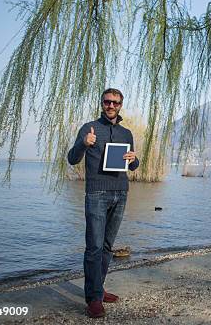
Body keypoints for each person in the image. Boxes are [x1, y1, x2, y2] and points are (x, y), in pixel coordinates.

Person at [67, 88, 139, 318]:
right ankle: (93, 299)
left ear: (120, 106)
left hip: (121, 194)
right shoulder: (89, 128)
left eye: (116, 103)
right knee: (94, 247)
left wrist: (135, 159)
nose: (111, 106)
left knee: (107, 246)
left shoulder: (126, 133)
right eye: (107, 102)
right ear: (101, 103)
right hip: (96, 194)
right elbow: (72, 159)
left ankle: (98, 289)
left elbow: (133, 166)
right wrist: (84, 144)